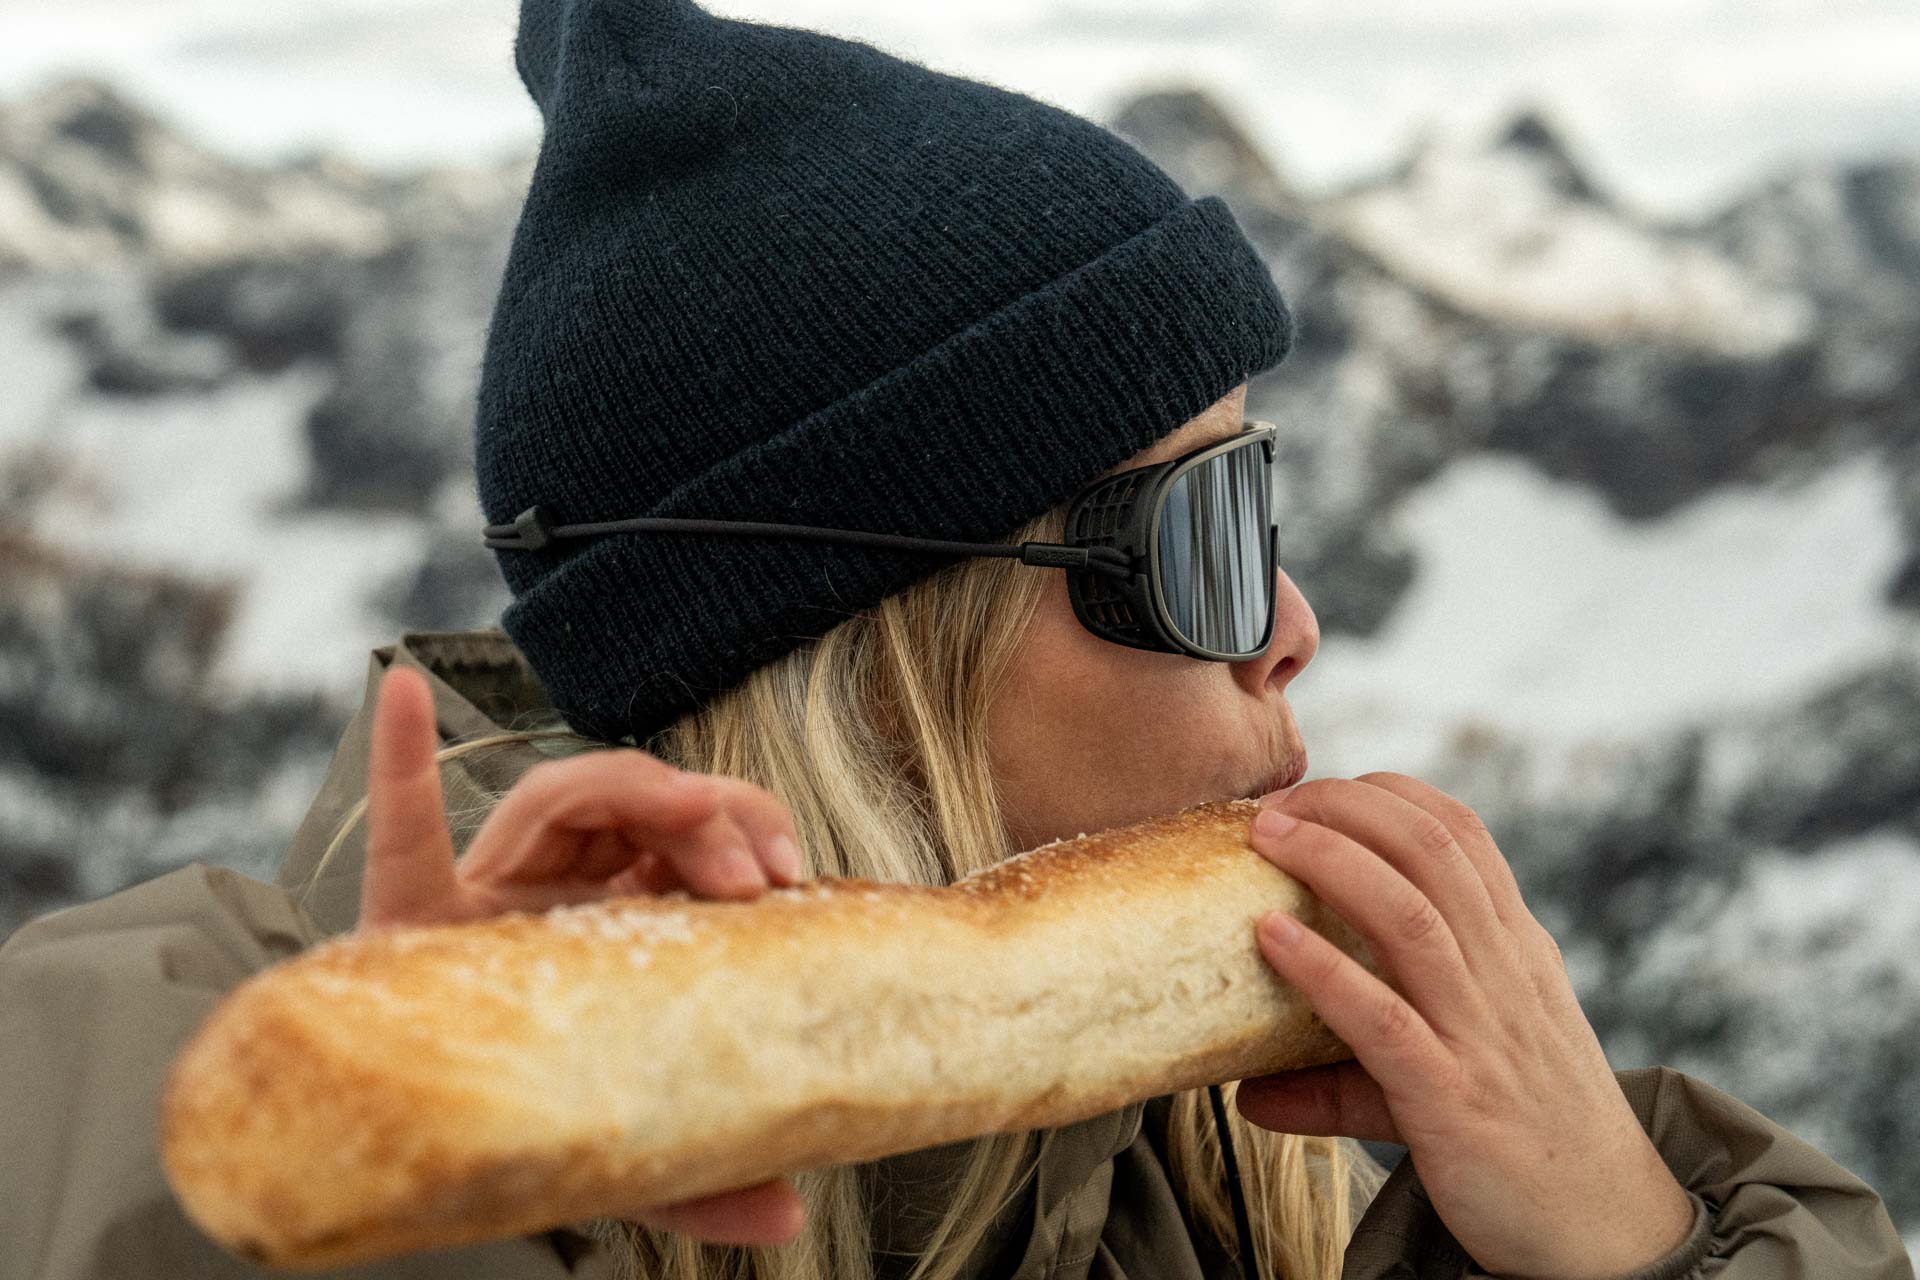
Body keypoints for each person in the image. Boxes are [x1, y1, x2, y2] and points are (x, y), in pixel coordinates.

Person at [0, 1, 1911, 1279]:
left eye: (1276, 507)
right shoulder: (150, 1055)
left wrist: (1642, 1239)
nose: (1300, 631)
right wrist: (420, 1205)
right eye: (1208, 537)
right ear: (874, 654)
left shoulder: (1198, 1180)